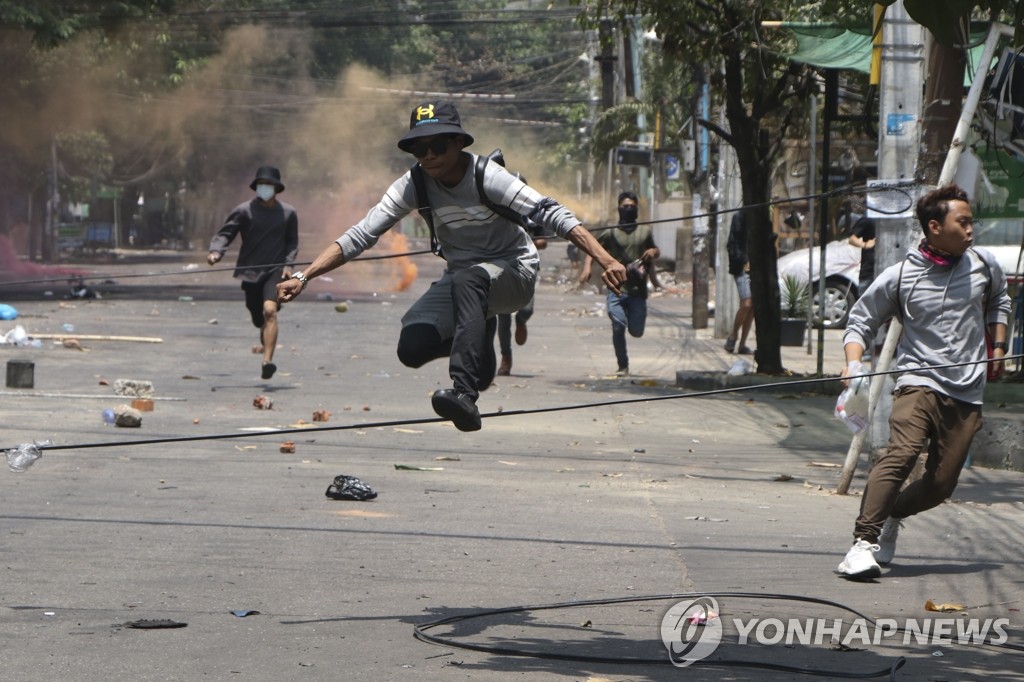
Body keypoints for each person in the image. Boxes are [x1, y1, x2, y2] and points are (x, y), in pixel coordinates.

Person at [276, 100, 626, 431]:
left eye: (438, 146)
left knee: (471, 280)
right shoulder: (414, 184)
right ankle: (478, 339)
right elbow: (362, 234)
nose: (429, 156)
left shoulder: (486, 176)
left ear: (458, 142)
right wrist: (304, 276)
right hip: (464, 279)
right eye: (419, 149)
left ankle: (465, 396)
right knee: (412, 348)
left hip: (513, 272)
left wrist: (606, 259)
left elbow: (552, 212)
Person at [835, 184, 1010, 580]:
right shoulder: (900, 276)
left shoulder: (984, 264)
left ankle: (894, 512)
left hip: (967, 388)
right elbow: (860, 320)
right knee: (902, 452)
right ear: (935, 227)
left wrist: (997, 346)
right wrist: (853, 362)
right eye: (962, 222)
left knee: (941, 484)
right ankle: (863, 544)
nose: (970, 230)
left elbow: (1000, 299)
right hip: (917, 379)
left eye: (971, 222)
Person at [208, 166, 299, 380]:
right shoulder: (244, 211)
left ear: (277, 188)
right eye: (261, 184)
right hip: (249, 272)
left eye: (269, 185)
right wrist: (215, 252)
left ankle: (267, 361)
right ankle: (264, 332)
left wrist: (288, 265)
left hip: (274, 271)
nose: (265, 188)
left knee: (270, 311)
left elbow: (292, 241)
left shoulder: (288, 213)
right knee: (259, 317)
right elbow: (226, 233)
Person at [578, 191, 660, 376]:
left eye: (632, 206)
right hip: (616, 289)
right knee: (617, 325)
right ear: (619, 209)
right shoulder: (610, 233)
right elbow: (593, 249)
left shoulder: (644, 232)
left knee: (636, 331)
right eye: (625, 206)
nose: (628, 209)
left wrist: (653, 252)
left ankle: (632, 330)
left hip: (638, 290)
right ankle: (623, 365)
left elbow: (655, 250)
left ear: (637, 209)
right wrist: (587, 268)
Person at [496, 229, 546, 376]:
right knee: (503, 315)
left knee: (527, 310)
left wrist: (528, 242)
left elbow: (543, 242)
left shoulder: (530, 214)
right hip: (502, 268)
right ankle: (506, 358)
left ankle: (521, 320)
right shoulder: (499, 212)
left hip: (527, 268)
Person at [724, 209, 753, 355]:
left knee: (752, 308)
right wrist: (743, 260)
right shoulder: (739, 217)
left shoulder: (763, 217)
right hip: (742, 267)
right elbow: (732, 244)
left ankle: (742, 344)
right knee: (746, 303)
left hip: (757, 268)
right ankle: (733, 335)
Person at [848, 215, 877, 298]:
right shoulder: (869, 218)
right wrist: (864, 245)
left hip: (889, 271)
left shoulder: (895, 219)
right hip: (869, 271)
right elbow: (852, 239)